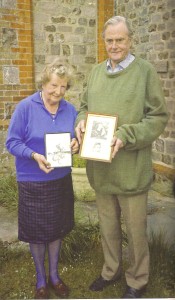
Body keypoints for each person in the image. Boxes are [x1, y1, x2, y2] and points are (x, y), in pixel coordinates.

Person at [75, 16, 168, 298]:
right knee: (108, 227)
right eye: (110, 40)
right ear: (104, 42)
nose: (114, 45)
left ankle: (138, 280)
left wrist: (125, 136)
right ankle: (111, 270)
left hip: (131, 169)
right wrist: (80, 122)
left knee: (136, 232)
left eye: (120, 40)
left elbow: (158, 117)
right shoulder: (95, 72)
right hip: (101, 169)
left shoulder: (145, 71)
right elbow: (83, 106)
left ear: (130, 40)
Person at [6, 58, 79, 299]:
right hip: (32, 180)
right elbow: (12, 142)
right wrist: (34, 155)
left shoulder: (70, 110)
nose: (58, 91)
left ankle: (55, 276)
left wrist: (76, 144)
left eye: (64, 87)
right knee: (37, 233)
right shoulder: (25, 107)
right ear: (44, 83)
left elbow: (76, 139)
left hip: (60, 179)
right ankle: (40, 279)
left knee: (56, 230)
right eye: (54, 86)